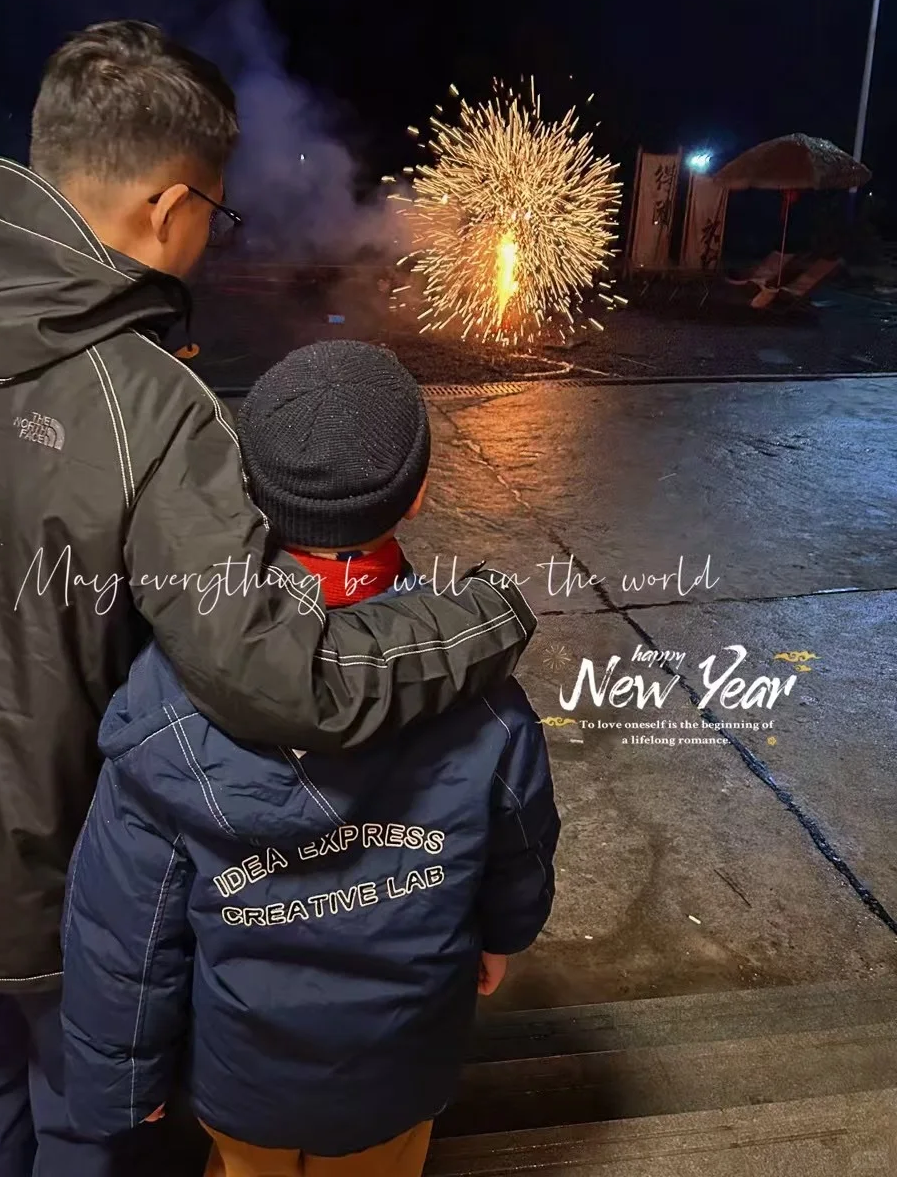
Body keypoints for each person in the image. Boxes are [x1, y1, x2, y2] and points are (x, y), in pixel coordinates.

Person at [0, 23, 535, 1177]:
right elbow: (279, 680)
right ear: (168, 206)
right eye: (218, 212)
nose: (210, 238)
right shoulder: (144, 406)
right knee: (90, 1127)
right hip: (67, 891)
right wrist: (483, 616)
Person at [61, 340, 560, 1176]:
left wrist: (124, 1080)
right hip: (398, 1069)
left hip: (240, 1075)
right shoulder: (484, 697)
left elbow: (125, 926)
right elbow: (519, 843)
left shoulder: (164, 701)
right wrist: (504, 934)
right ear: (419, 494)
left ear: (248, 495)